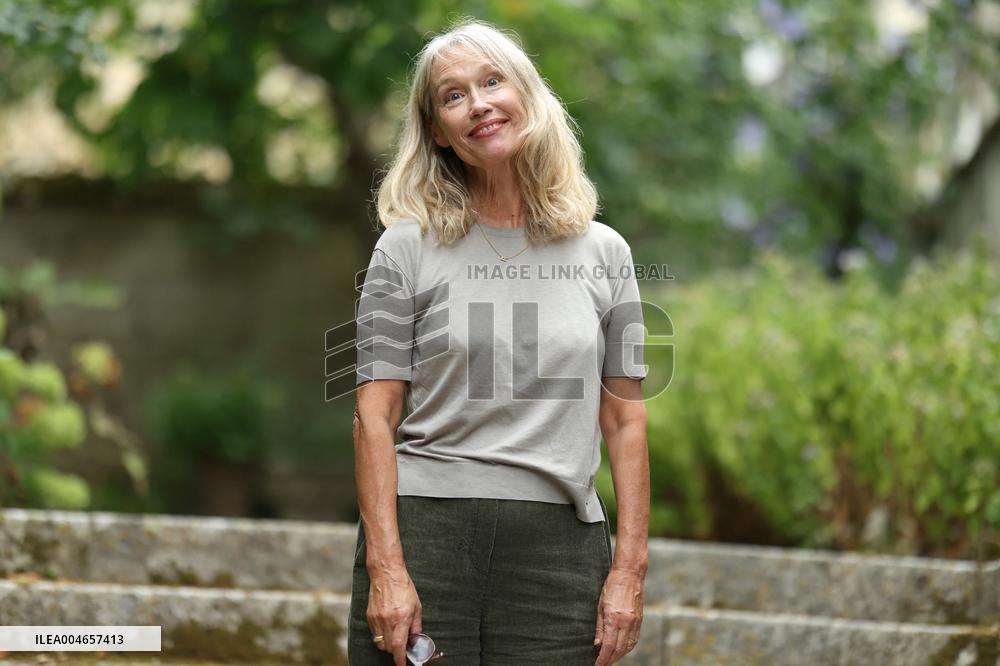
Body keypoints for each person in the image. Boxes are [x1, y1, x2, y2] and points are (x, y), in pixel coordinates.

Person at [348, 17, 649, 666]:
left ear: (528, 95)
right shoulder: (404, 247)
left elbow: (625, 421)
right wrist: (387, 568)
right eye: (453, 96)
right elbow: (375, 415)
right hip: (427, 539)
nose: (478, 103)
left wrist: (629, 571)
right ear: (437, 130)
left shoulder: (606, 253)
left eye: (492, 82)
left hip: (559, 555)